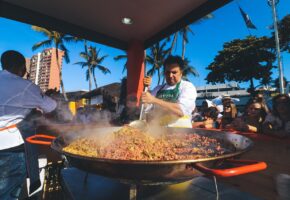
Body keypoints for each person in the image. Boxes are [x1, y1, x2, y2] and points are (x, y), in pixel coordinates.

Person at [0, 50, 57, 199]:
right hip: (9, 148)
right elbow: (51, 107)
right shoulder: (24, 85)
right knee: (7, 193)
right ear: (22, 68)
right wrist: (47, 96)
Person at [142, 55, 197, 128]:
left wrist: (154, 100)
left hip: (181, 132)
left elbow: (180, 111)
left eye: (174, 72)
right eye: (167, 72)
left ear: (181, 73)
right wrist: (145, 90)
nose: (170, 75)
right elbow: (147, 110)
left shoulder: (187, 87)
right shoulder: (157, 89)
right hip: (158, 131)